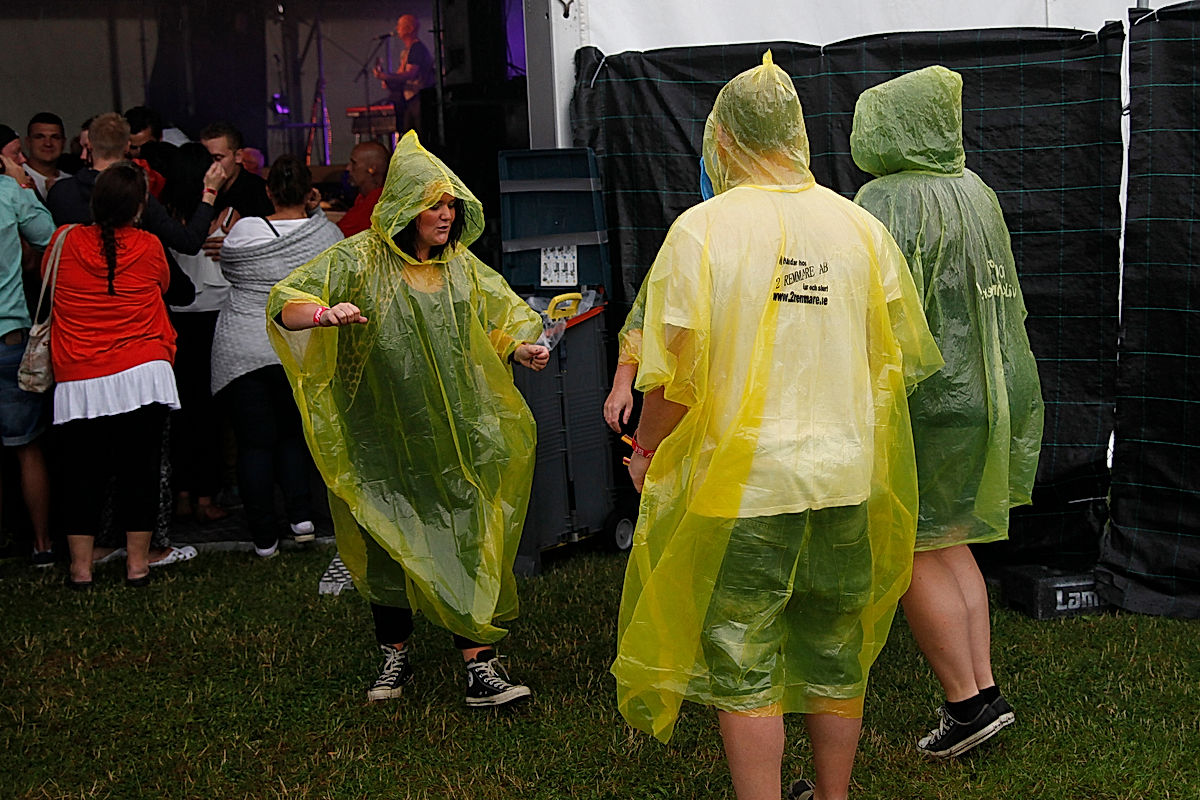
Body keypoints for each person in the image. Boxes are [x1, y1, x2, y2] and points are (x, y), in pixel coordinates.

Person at [610, 52, 942, 800]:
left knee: (742, 655)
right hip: (845, 473)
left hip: (747, 481)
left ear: (721, 138)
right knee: (834, 649)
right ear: (797, 132)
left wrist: (647, 446)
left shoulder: (702, 232)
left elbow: (676, 369)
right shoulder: (858, 227)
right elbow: (897, 356)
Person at [266, 131, 549, 706]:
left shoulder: (460, 268)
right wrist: (322, 313)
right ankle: (393, 657)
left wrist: (522, 348)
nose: (446, 216)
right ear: (404, 209)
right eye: (434, 206)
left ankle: (480, 668)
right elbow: (285, 302)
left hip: (455, 431)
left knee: (466, 534)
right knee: (388, 537)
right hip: (379, 430)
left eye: (451, 206)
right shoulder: (356, 260)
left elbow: (499, 317)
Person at [850, 65, 1044, 759]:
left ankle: (963, 705)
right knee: (951, 537)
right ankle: (983, 690)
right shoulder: (977, 193)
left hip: (921, 401)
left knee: (912, 545)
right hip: (982, 393)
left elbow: (872, 307)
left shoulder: (884, 199)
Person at [48, 163, 186, 589]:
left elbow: (46, 279)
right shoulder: (149, 246)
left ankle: (81, 570)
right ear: (140, 206)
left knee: (80, 475)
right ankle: (138, 567)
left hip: (79, 373)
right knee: (139, 472)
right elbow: (165, 287)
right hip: (142, 369)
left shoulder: (63, 240)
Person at [213, 154, 343, 557]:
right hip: (297, 344)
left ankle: (263, 538)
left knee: (254, 444)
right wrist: (316, 211)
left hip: (243, 346)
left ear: (268, 191)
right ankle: (302, 520)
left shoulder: (246, 229)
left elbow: (227, 269)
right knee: (293, 436)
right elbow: (337, 276)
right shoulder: (324, 234)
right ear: (309, 192)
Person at [160, 142, 235, 524]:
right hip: (213, 317)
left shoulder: (163, 214)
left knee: (180, 411)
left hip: (173, 318)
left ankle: (184, 495)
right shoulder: (226, 214)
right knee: (207, 413)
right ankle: (205, 495)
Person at [0, 146, 56, 566]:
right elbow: (49, 237)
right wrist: (22, 182)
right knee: (27, 448)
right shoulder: (10, 192)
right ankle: (41, 545)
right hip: (8, 335)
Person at [372, 14, 435, 138]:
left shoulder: (417, 48)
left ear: (410, 29)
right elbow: (401, 77)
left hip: (420, 99)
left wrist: (386, 76)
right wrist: (388, 79)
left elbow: (410, 74)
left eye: (400, 25)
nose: (397, 28)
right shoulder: (406, 51)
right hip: (409, 101)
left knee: (420, 137)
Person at [336, 141, 389, 237]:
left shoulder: (377, 203)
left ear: (372, 169)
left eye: (354, 163)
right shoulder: (363, 198)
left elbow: (336, 234)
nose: (348, 168)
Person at [22, 113, 71, 202]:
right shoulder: (16, 178)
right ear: (28, 142)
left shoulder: (71, 182)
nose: (48, 143)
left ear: (63, 143)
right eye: (40, 137)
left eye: (55, 137)